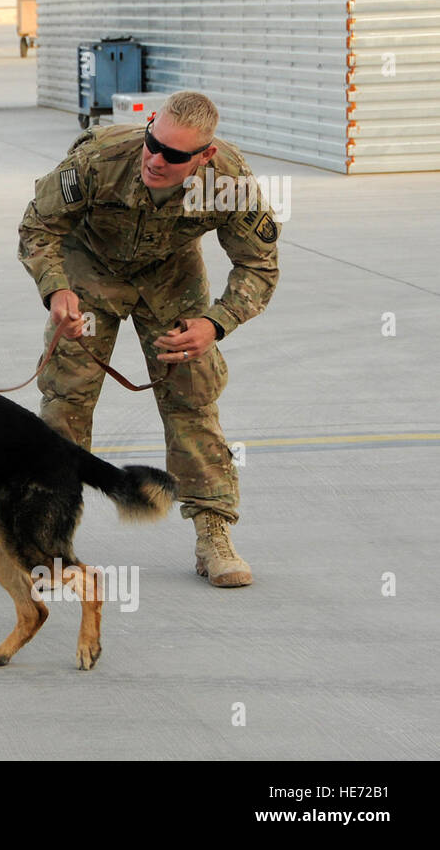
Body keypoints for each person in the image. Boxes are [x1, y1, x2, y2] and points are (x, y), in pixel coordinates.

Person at [18, 90, 280, 588]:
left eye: (175, 155)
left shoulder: (228, 181)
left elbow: (258, 264)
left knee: (192, 398)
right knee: (67, 396)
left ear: (204, 156)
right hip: (90, 272)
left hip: (172, 280)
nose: (156, 159)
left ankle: (213, 535)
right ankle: (43, 534)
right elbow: (38, 226)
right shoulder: (101, 161)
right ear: (151, 123)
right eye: (152, 143)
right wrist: (55, 290)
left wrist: (216, 323)